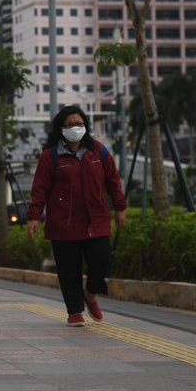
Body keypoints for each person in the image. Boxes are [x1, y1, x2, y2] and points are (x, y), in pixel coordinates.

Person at [27, 104, 127, 327]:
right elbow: (39, 188)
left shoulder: (98, 151)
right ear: (60, 128)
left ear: (86, 126)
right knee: (68, 269)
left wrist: (120, 208)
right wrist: (33, 217)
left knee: (101, 259)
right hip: (64, 223)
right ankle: (74, 311)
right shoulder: (50, 155)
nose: (75, 128)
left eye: (80, 124)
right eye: (70, 124)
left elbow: (113, 180)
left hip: (96, 219)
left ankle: (91, 293)